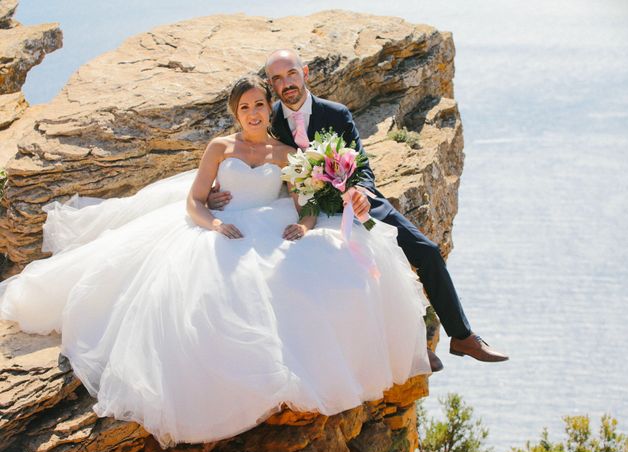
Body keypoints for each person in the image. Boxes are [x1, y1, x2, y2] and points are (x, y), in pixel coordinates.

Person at [0, 76, 431, 448]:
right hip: (221, 227)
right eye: (244, 107)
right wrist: (212, 224)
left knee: (313, 275)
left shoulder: (285, 154)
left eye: (260, 104)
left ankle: (290, 374)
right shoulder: (220, 147)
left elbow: (305, 203)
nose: (253, 112)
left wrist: (303, 224)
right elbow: (193, 201)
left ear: (269, 106)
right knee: (207, 294)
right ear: (236, 113)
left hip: (270, 226)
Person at [208, 50, 509, 370]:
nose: (287, 84)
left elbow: (361, 165)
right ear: (271, 85)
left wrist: (360, 191)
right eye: (278, 79)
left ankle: (462, 336)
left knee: (425, 250)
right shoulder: (270, 118)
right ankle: (409, 346)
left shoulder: (335, 113)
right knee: (345, 273)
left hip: (354, 201)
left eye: (292, 74)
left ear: (305, 73)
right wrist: (223, 189)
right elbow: (252, 152)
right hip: (307, 209)